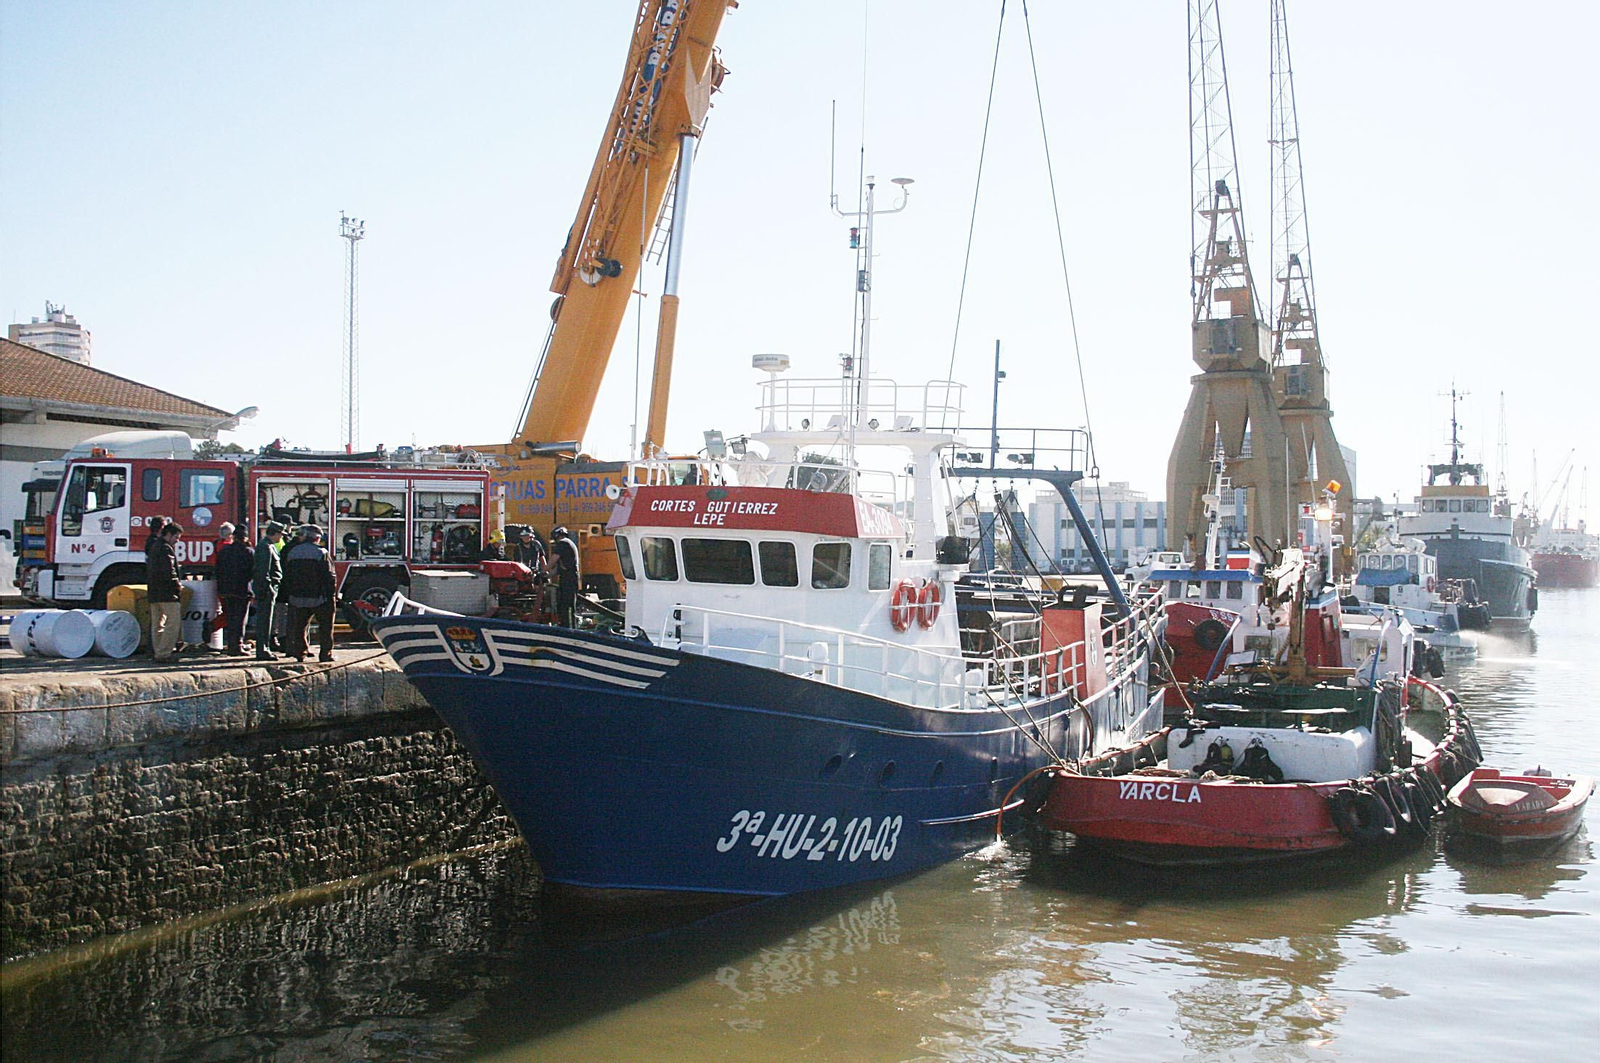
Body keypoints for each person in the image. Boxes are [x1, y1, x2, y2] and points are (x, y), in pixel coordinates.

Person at [281, 524, 338, 662]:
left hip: (298, 598)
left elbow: (287, 575)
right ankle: (325, 654)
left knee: (299, 626)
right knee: (325, 627)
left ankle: (300, 653)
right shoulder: (321, 553)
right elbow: (330, 576)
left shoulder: (293, 552)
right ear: (317, 538)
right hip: (320, 598)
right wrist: (331, 595)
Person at [146, 522, 184, 660]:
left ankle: (158, 652)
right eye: (176, 537)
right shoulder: (166, 549)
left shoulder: (154, 546)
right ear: (168, 534)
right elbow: (170, 572)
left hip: (154, 592)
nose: (177, 540)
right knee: (173, 623)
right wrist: (177, 586)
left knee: (157, 624)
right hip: (167, 593)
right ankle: (165, 652)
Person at [215, 524, 254, 655]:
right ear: (245, 537)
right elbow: (252, 572)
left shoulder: (224, 551)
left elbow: (218, 570)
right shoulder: (248, 551)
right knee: (241, 620)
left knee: (231, 618)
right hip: (242, 590)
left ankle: (232, 645)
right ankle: (237, 646)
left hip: (227, 589)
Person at [252, 521, 285, 660]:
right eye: (281, 534)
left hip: (269, 588)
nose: (281, 537)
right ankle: (263, 649)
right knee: (265, 621)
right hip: (267, 589)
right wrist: (268, 588)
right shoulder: (265, 547)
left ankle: (264, 648)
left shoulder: (268, 546)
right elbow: (263, 570)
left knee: (267, 620)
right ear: (275, 533)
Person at [551, 525, 581, 627]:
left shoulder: (562, 543)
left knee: (566, 605)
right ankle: (567, 625)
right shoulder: (568, 544)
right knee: (566, 604)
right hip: (570, 578)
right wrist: (547, 576)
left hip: (568, 579)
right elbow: (557, 568)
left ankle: (568, 628)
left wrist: (542, 571)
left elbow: (553, 561)